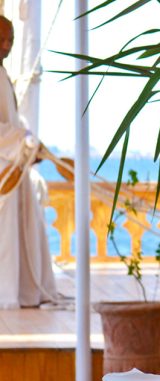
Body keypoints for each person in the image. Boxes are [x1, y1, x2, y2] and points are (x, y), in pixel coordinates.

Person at [0, 16, 59, 308]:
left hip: (13, 164)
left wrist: (28, 143)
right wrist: (23, 140)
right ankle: (8, 293)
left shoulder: (3, 74)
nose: (7, 46)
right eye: (2, 40)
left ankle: (24, 291)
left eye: (10, 40)